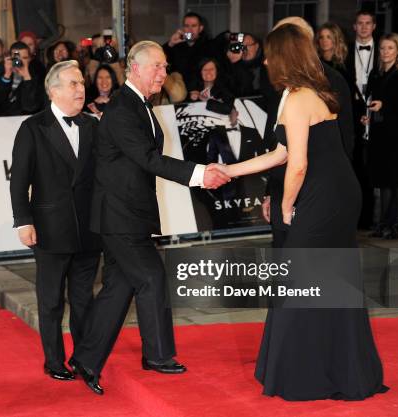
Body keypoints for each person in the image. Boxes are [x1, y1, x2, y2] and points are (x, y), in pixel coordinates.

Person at [216, 22, 387, 401]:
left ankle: (306, 376)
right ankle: (338, 370)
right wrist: (229, 170)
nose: (264, 62)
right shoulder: (309, 91)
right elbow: (279, 152)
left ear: (282, 57)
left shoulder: (297, 98)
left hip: (324, 198)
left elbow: (297, 164)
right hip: (338, 192)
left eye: (269, 56)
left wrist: (286, 206)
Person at [70, 40, 230, 395]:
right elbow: (149, 159)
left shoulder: (138, 106)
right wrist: (201, 174)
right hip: (119, 215)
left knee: (119, 286)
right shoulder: (123, 110)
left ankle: (86, 358)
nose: (164, 72)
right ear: (136, 69)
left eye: (165, 65)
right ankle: (157, 355)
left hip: (129, 212)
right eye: (157, 66)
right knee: (151, 276)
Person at [10, 60, 101, 381]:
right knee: (50, 301)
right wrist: (23, 221)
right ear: (53, 90)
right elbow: (18, 180)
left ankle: (84, 358)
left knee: (83, 299)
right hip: (50, 228)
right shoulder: (33, 127)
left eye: (81, 83)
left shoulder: (93, 125)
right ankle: (53, 360)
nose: (81, 89)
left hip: (89, 229)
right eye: (74, 84)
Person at [260, 17, 354, 247]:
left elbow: (343, 141)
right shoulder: (286, 85)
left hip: (315, 192)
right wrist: (271, 191)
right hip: (288, 185)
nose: (266, 60)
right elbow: (279, 145)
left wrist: (288, 204)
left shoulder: (329, 81)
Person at [363, 33, 398, 239]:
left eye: (390, 48)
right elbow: (371, 100)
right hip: (379, 133)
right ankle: (383, 223)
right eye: (383, 48)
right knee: (383, 179)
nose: (386, 52)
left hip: (397, 133)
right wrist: (367, 116)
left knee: (397, 179)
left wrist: (385, 106)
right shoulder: (375, 73)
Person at [346, 10, 379, 228]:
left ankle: (373, 219)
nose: (365, 27)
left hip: (378, 113)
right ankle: (357, 220)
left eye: (368, 23)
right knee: (355, 168)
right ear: (355, 27)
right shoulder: (346, 53)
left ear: (374, 26)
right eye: (360, 23)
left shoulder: (384, 49)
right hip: (354, 115)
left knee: (375, 169)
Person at [0, 41, 45, 117]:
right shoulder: (0, 69)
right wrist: (6, 75)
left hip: (25, 119)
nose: (20, 61)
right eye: (16, 58)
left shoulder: (37, 72)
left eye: (25, 58)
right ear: (10, 57)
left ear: (30, 59)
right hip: (2, 119)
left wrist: (27, 78)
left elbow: (30, 106)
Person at [163, 12, 210, 89]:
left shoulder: (208, 46)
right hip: (178, 89)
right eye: (186, 26)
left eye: (194, 26)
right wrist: (170, 43)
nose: (190, 30)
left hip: (199, 90)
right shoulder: (176, 46)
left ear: (200, 28)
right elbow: (159, 59)